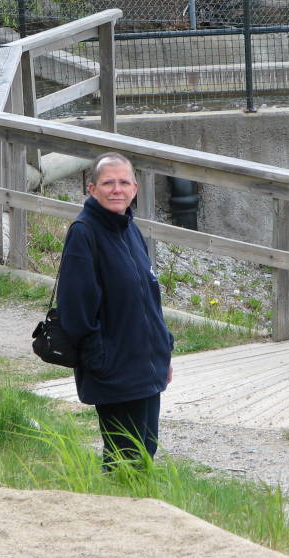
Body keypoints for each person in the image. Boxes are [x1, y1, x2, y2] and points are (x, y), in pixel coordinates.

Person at [57, 152, 174, 470]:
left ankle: (135, 500)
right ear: (92, 189)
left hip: (146, 365)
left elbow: (149, 298)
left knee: (145, 451)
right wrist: (101, 359)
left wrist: (164, 349)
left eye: (124, 182)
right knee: (124, 457)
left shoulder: (130, 229)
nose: (117, 189)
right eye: (108, 183)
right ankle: (113, 500)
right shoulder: (84, 233)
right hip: (115, 368)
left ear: (135, 188)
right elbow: (75, 310)